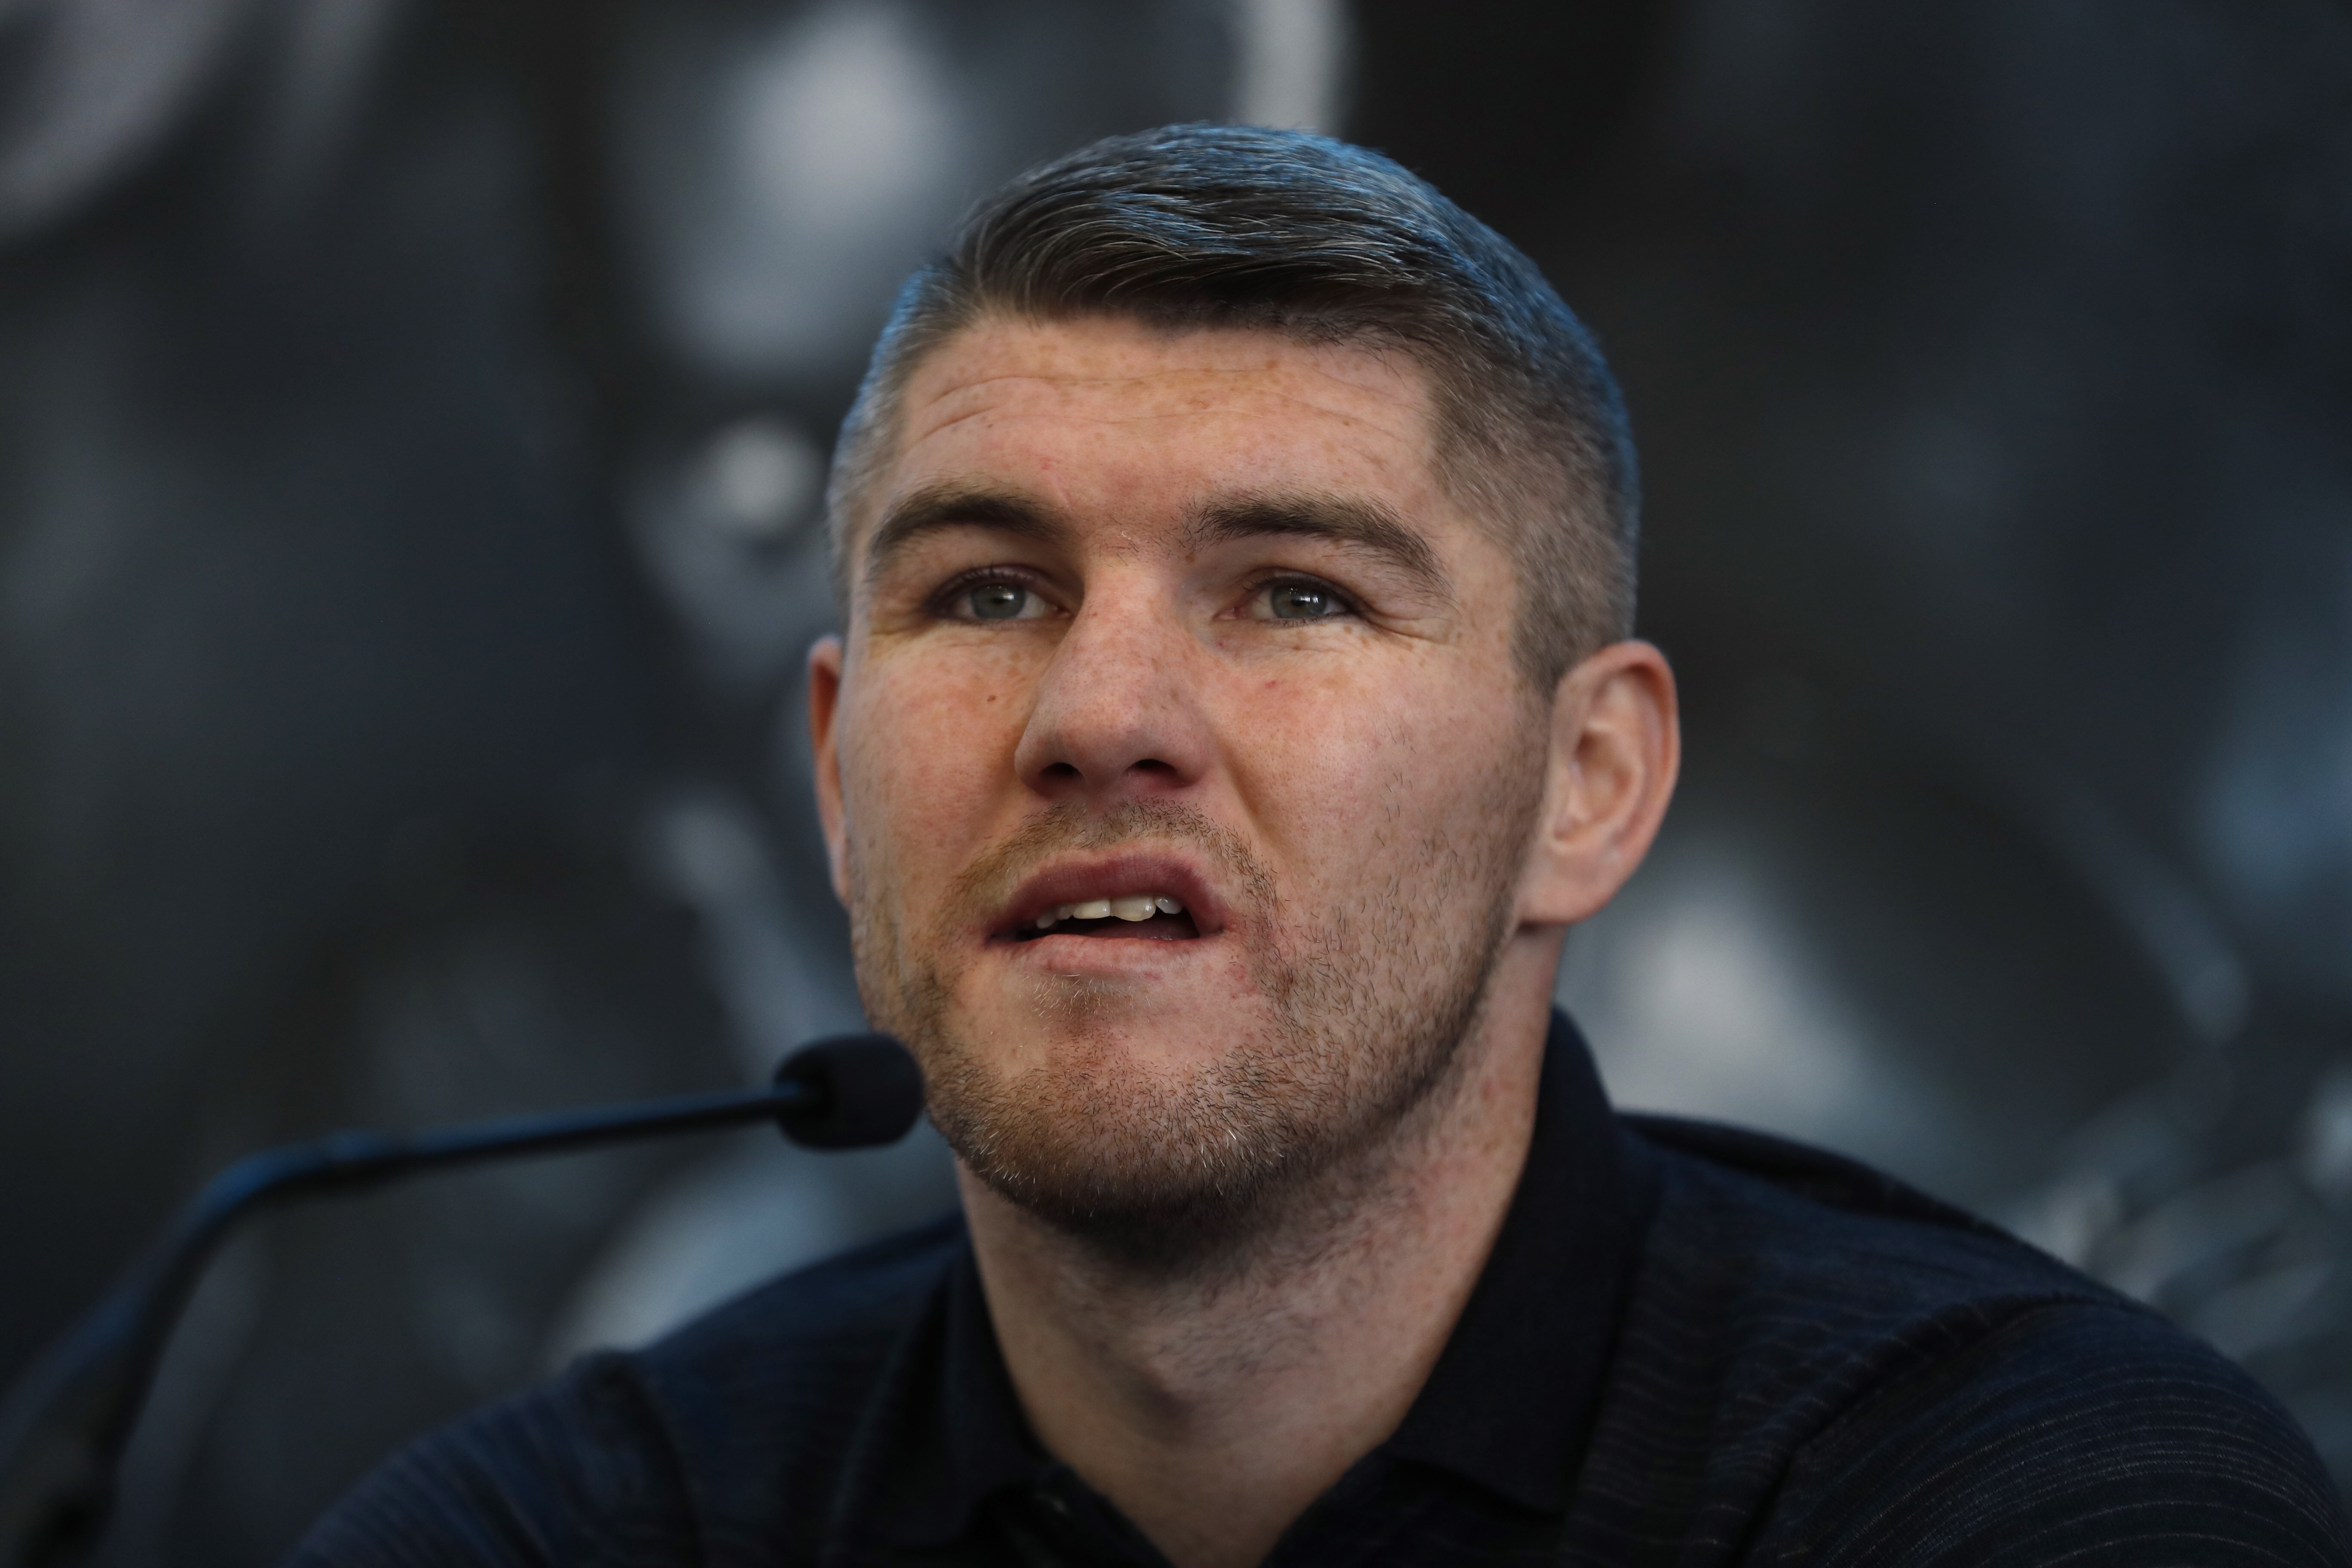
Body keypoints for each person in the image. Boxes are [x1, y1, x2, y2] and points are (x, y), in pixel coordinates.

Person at [290, 125, 2347, 1568]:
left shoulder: (2055, 1487)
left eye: (1294, 596)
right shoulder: (556, 1521)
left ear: (1591, 785)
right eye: (989, 594)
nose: (1099, 718)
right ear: (842, 777)